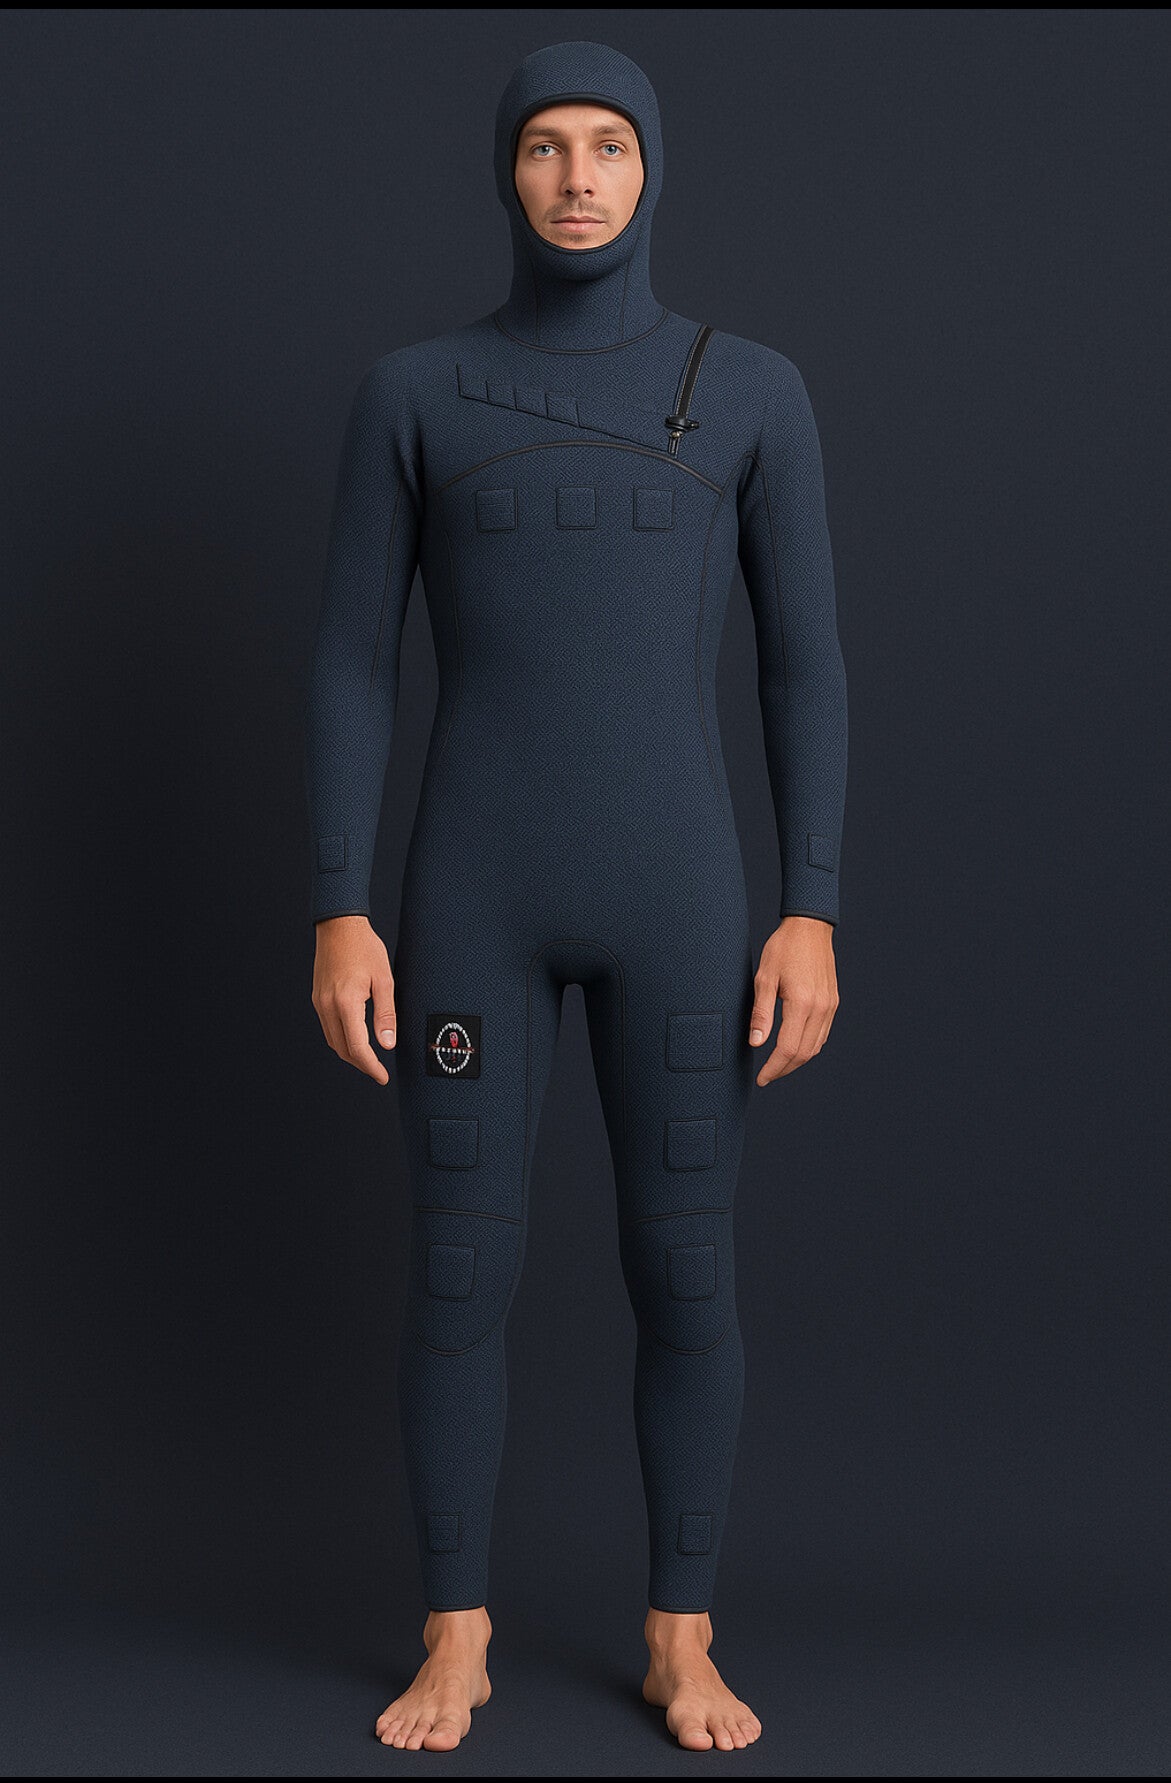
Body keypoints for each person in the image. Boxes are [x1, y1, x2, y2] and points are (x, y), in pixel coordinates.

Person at [304, 38, 847, 1755]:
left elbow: (805, 666)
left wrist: (813, 906)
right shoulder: (414, 392)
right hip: (472, 893)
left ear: (652, 166)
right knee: (459, 1272)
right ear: (508, 172)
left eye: (610, 144)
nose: (579, 178)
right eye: (546, 146)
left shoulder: (747, 389)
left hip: (682, 897)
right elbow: (351, 662)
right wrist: (338, 904)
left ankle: (682, 1636)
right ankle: (453, 1634)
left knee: (685, 1270)